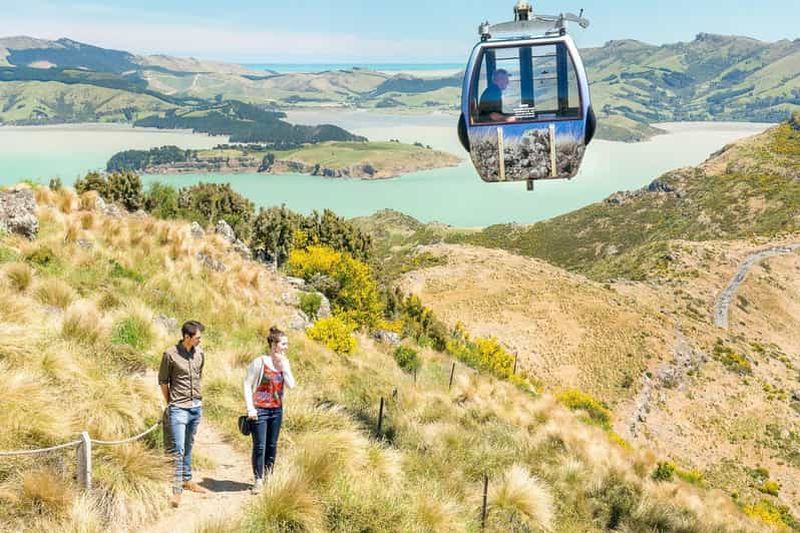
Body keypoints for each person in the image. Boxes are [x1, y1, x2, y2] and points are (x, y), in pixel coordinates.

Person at [158, 320, 209, 508]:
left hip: (196, 407)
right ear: (187, 337)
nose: (200, 341)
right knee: (178, 450)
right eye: (197, 338)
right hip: (178, 408)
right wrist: (171, 403)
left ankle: (187, 480)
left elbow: (198, 377)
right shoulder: (169, 355)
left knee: (188, 445)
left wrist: (197, 402)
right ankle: (176, 490)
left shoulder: (200, 354)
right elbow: (163, 382)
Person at [243, 326, 296, 494]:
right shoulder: (260, 362)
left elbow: (291, 385)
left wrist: (284, 368)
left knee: (272, 445)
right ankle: (258, 480)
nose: (286, 347)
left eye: (287, 344)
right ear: (274, 344)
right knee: (260, 446)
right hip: (260, 410)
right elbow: (246, 384)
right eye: (284, 344)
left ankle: (268, 477)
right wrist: (250, 408)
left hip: (276, 410)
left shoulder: (285, 363)